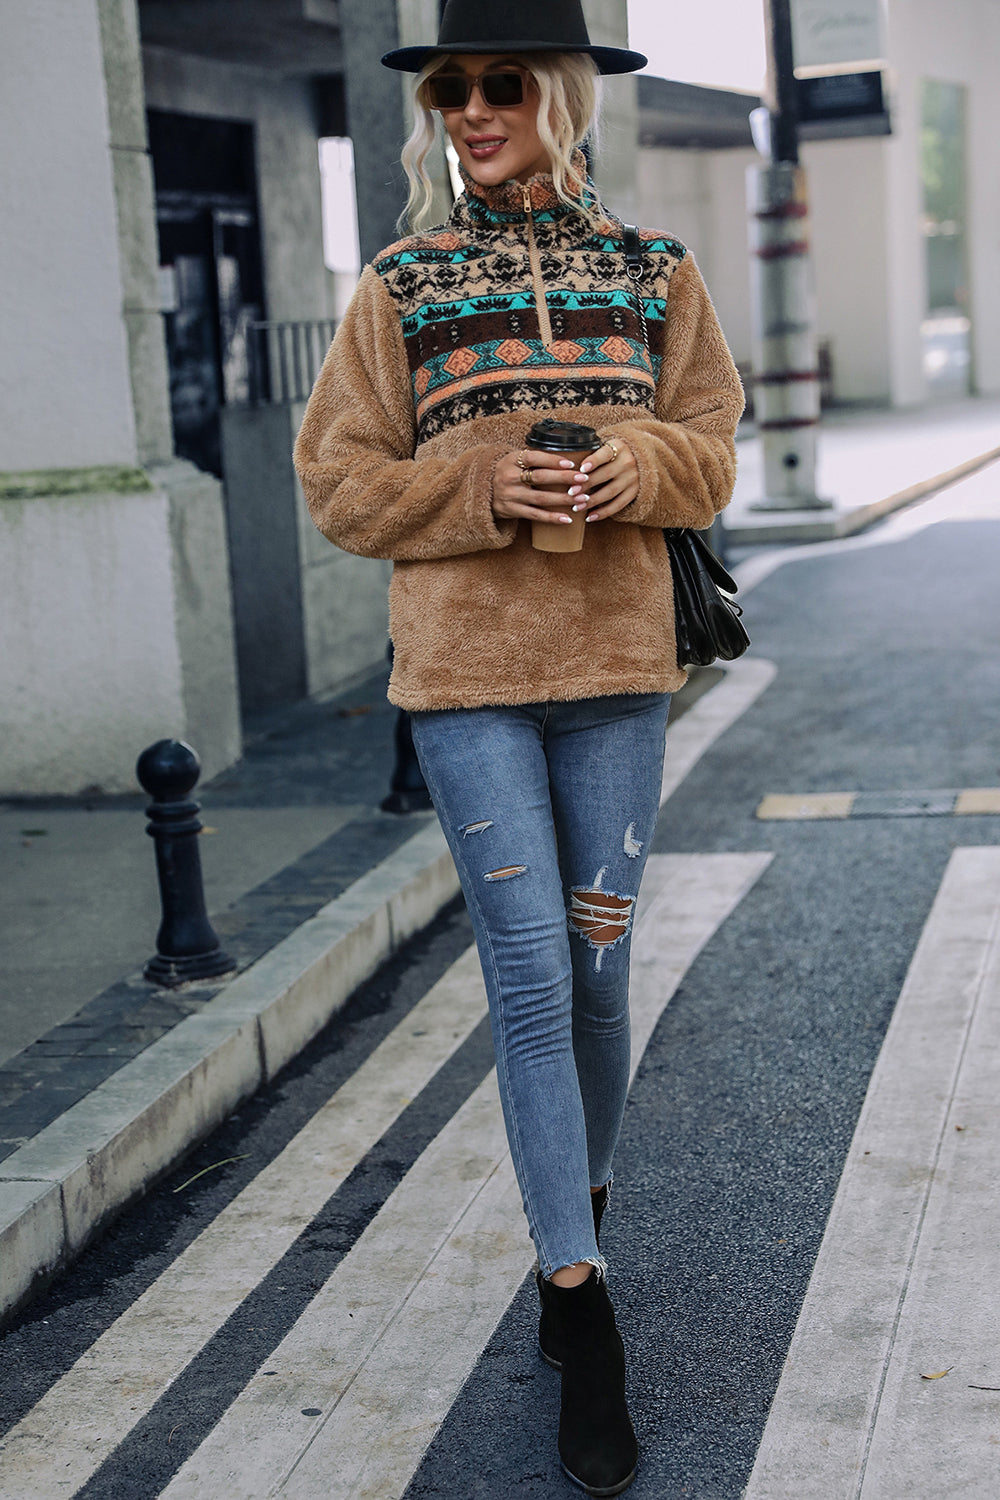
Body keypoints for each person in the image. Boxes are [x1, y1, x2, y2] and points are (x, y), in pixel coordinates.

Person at [294, 1, 743, 1492]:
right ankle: (579, 1302)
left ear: (561, 95)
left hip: (618, 668)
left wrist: (644, 464)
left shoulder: (653, 270)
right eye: (450, 92)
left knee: (603, 969)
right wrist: (486, 482)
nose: (470, 112)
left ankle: (580, 1205)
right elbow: (341, 483)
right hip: (470, 682)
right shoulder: (400, 285)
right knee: (534, 976)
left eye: (499, 87)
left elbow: (712, 440)